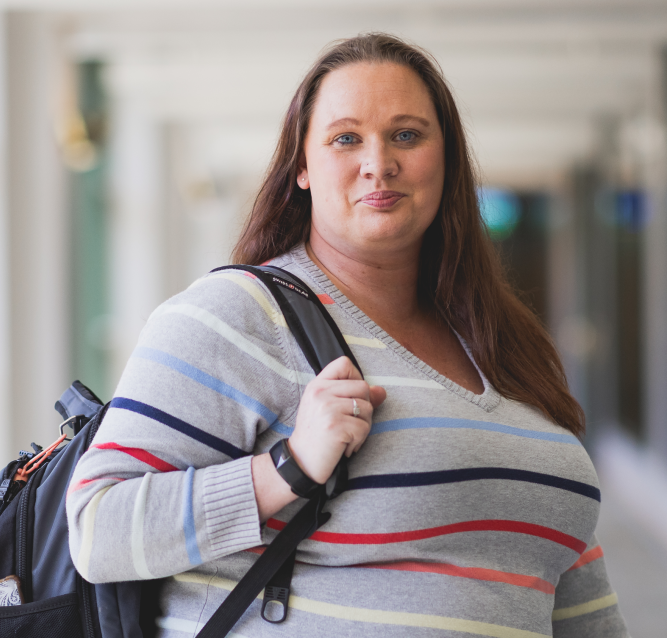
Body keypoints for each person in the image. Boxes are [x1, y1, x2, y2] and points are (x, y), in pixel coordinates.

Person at [66, 32, 627, 638]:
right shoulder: (235, 316)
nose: (378, 162)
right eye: (345, 139)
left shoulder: (502, 340)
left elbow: (565, 568)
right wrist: (288, 468)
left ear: (448, 160)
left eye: (407, 135)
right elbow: (100, 531)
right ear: (301, 168)